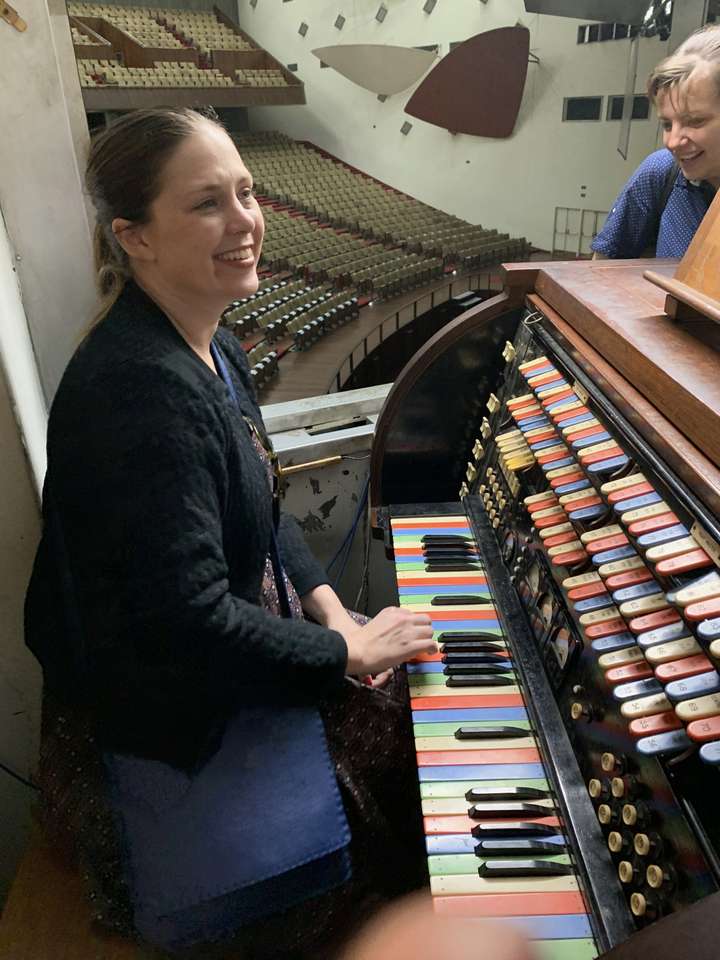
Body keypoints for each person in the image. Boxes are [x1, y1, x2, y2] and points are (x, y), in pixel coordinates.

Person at [23, 106, 436, 958]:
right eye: (207, 203)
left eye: (247, 193)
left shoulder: (213, 344)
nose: (246, 221)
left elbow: (266, 504)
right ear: (134, 237)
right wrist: (346, 657)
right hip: (161, 721)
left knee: (413, 713)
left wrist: (331, 610)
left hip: (200, 662)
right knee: (399, 788)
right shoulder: (140, 394)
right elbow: (188, 624)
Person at [592, 24, 720, 260]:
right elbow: (603, 266)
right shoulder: (661, 172)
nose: (672, 142)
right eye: (667, 125)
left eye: (694, 121)